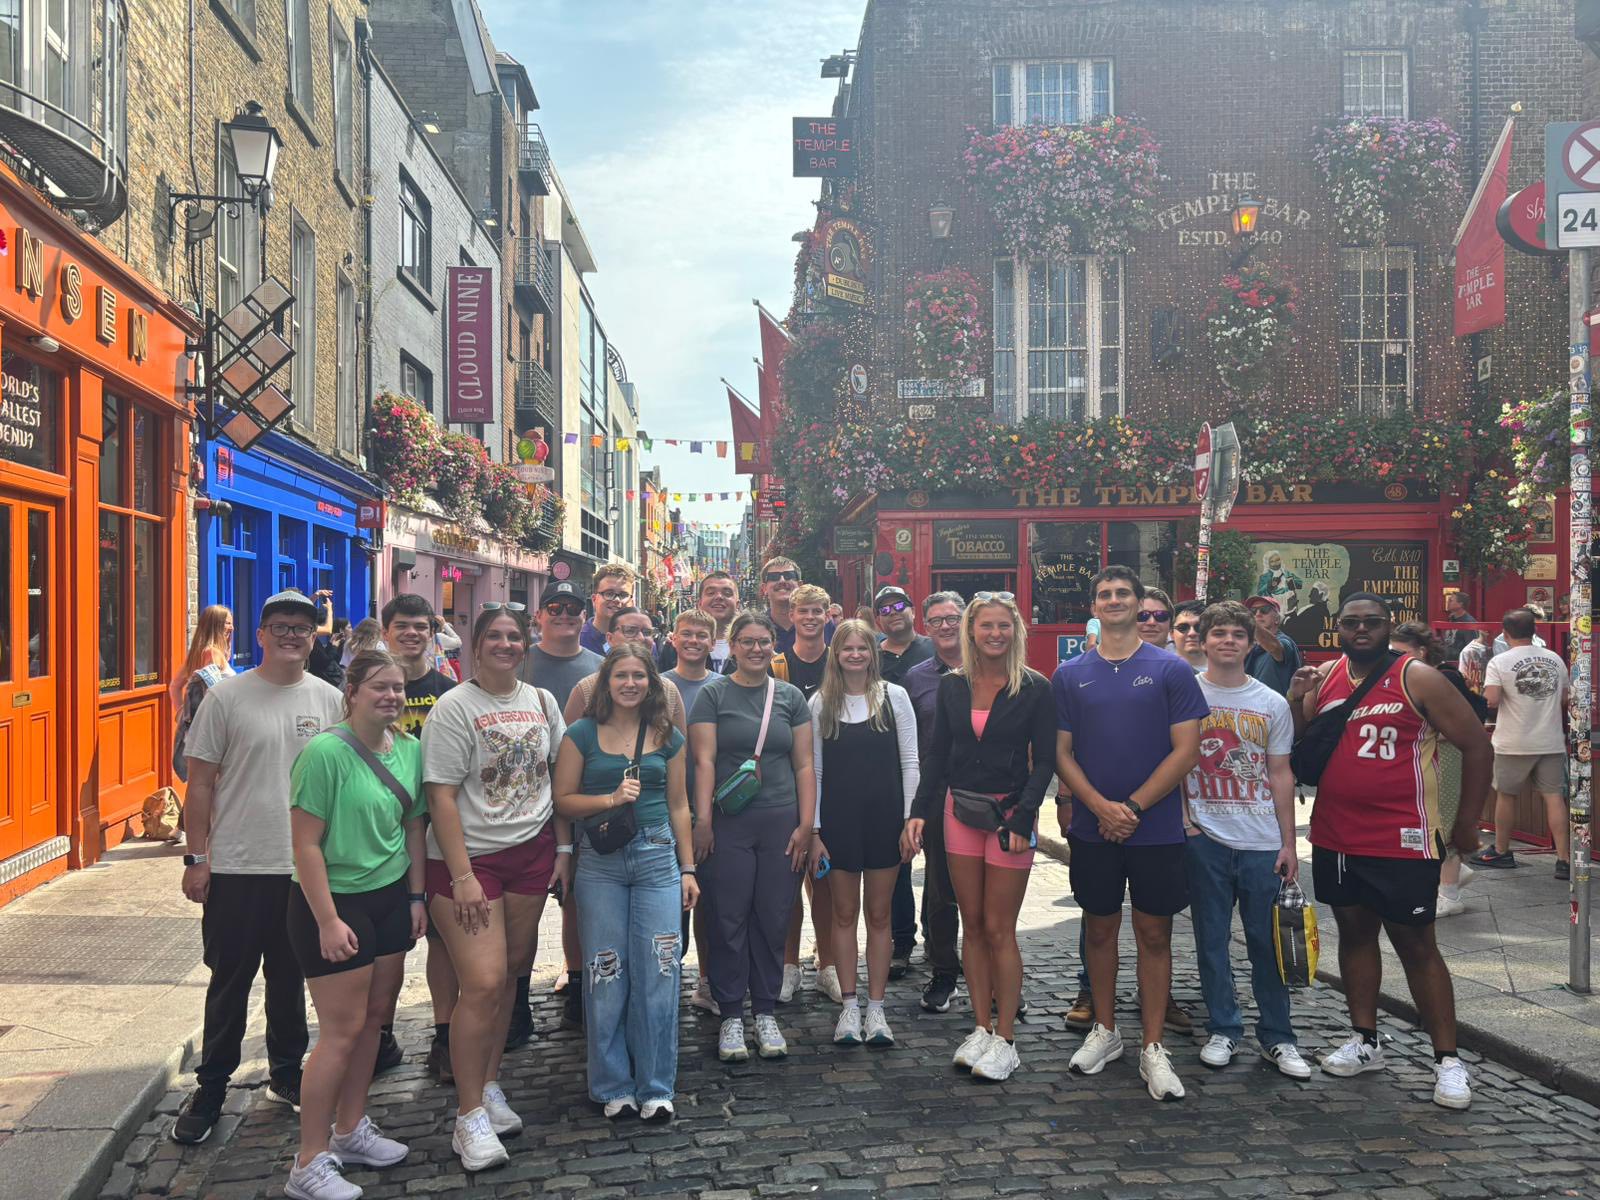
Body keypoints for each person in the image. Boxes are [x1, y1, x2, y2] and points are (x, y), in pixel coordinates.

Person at [1289, 593, 1492, 1110]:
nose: (1361, 629)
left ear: (1388, 626)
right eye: (1351, 622)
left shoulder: (1416, 676)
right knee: (1354, 936)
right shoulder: (1329, 676)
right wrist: (1295, 700)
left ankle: (1447, 1059)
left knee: (1416, 944)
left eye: (1372, 622)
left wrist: (1466, 821)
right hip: (1335, 834)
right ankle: (1365, 1039)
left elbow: (1475, 744)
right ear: (1337, 628)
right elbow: (1301, 747)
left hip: (1403, 836)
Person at [171, 590, 344, 1145]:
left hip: (304, 869)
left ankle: (287, 1074)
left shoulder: (329, 700)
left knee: (291, 980)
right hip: (238, 866)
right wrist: (198, 857)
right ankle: (212, 1088)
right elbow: (198, 783)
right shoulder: (228, 698)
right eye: (281, 626)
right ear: (260, 635)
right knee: (230, 982)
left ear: (314, 637)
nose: (292, 635)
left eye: (302, 627)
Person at [422, 606, 571, 1170]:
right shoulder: (454, 708)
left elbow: (556, 778)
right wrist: (460, 876)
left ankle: (488, 1085)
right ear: (475, 647)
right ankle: (467, 1118)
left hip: (530, 854)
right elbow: (439, 796)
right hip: (471, 861)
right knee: (481, 984)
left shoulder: (540, 702)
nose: (506, 645)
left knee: (510, 973)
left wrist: (561, 849)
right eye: (495, 637)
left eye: (514, 636)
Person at [1054, 566, 1208, 1102]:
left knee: (1154, 935)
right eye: (1105, 595)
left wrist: (1133, 807)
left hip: (1156, 827)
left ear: (1141, 605)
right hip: (1096, 829)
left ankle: (1153, 1044)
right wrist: (1098, 806)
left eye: (1124, 594)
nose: (1115, 601)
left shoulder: (1170, 670)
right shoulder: (1071, 674)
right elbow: (1062, 753)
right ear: (1093, 608)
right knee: (1098, 931)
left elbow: (1185, 750)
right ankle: (1105, 1028)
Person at [283, 650, 426, 1200]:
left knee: (373, 1023)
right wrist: (327, 920)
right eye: (379, 687)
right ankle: (308, 1161)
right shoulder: (324, 753)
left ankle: (350, 1130)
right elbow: (306, 846)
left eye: (398, 688)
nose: (391, 696)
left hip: (389, 898)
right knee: (339, 1034)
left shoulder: (409, 749)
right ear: (353, 691)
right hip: (334, 903)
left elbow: (413, 829)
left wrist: (415, 897)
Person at [907, 592, 1055, 1083]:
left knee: (999, 928)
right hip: (958, 811)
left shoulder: (1034, 687)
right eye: (985, 626)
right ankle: (979, 1026)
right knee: (970, 923)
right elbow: (937, 754)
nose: (995, 634)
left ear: (1015, 631)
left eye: (1003, 626)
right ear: (971, 632)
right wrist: (919, 812)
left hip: (1011, 816)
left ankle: (1006, 1037)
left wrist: (1023, 818)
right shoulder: (953, 687)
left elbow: (1046, 760)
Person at [554, 645, 698, 1121]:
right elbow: (563, 801)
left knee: (660, 969)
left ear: (651, 682)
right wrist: (610, 798)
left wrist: (689, 868)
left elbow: (680, 805)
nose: (630, 683)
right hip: (601, 861)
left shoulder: (667, 736)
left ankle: (656, 1084)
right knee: (606, 972)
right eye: (621, 676)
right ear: (606, 683)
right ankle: (613, 1083)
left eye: (639, 675)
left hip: (658, 857)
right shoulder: (581, 735)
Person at [1181, 602, 1310, 1080]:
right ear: (1205, 640)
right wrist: (1186, 822)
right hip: (1206, 836)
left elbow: (1280, 773)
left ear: (1251, 643)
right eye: (1220, 633)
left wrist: (1288, 843)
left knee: (1267, 943)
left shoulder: (1271, 702)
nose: (1229, 641)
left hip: (1260, 840)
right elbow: (1172, 761)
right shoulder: (1185, 693)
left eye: (1238, 634)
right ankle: (1223, 1028)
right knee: (1211, 941)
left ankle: (1278, 1036)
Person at [689, 612, 816, 1063]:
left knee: (773, 914)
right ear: (732, 646)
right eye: (747, 642)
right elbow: (703, 761)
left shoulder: (790, 697)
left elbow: (804, 763)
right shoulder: (713, 694)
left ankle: (764, 1009)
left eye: (764, 642)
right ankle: (729, 1014)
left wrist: (807, 824)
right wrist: (702, 820)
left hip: (780, 821)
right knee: (728, 916)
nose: (756, 649)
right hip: (729, 820)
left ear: (773, 646)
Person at [811, 621, 919, 1048]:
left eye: (863, 648)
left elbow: (910, 762)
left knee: (879, 915)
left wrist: (911, 819)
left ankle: (877, 1008)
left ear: (873, 654)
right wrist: (815, 828)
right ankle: (849, 1007)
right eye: (847, 648)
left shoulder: (895, 697)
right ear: (835, 654)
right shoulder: (820, 702)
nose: (855, 655)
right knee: (842, 914)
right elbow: (815, 772)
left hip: (885, 820)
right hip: (838, 822)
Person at [518, 583, 603, 1035]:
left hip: (580, 798)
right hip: (525, 801)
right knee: (526, 904)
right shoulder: (521, 660)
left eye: (574, 608)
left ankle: (577, 979)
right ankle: (517, 996)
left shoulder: (599, 668)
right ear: (540, 615)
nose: (566, 615)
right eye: (556, 607)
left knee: (577, 898)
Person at [380, 594, 459, 1080]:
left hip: (435, 833)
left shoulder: (448, 693)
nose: (412, 634)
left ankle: (445, 1034)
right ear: (386, 631)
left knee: (443, 942)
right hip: (381, 835)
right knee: (383, 947)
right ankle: (379, 1034)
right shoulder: (371, 689)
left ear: (433, 634)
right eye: (403, 626)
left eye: (421, 627)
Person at [1391, 623, 1486, 917]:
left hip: (1446, 755)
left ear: (1420, 651)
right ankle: (1454, 875)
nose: (1395, 658)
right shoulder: (1418, 678)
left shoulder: (1442, 679)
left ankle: (1449, 893)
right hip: (1430, 756)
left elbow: (1464, 728)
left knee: (1442, 820)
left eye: (1400, 652)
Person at [773, 585, 838, 1004]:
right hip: (786, 783)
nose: (811, 618)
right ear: (791, 616)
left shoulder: (842, 660)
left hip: (834, 785)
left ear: (828, 615)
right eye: (804, 611)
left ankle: (829, 963)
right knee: (788, 880)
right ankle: (789, 964)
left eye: (818, 611)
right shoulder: (778, 664)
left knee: (826, 879)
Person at [900, 591, 965, 1013]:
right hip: (936, 794)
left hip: (987, 792)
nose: (945, 626)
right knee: (940, 889)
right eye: (937, 620)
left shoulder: (993, 669)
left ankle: (995, 976)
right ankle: (944, 970)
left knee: (985, 895)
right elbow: (908, 746)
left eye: (953, 617)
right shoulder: (917, 678)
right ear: (925, 627)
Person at [1472, 607, 1571, 877]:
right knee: (1554, 798)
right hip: (1550, 740)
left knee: (1506, 796)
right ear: (1534, 630)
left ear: (1505, 632)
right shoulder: (1555, 659)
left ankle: (1502, 851)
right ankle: (1563, 859)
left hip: (1513, 741)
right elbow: (1565, 698)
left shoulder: (1500, 662)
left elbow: (1491, 700)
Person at [872, 582, 933, 977]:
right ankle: (901, 941)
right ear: (878, 619)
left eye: (899, 605)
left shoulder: (931, 650)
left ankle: (939, 940)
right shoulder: (872, 655)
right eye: (884, 609)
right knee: (899, 862)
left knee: (942, 869)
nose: (893, 612)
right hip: (888, 773)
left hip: (936, 767)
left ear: (913, 610)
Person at [664, 611, 720, 1015]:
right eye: (688, 634)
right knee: (671, 905)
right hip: (665, 810)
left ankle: (707, 980)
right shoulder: (660, 687)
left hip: (715, 812)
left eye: (703, 635)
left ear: (713, 640)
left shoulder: (723, 687)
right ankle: (666, 979)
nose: (695, 641)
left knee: (713, 902)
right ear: (673, 638)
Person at [170, 605, 236, 782]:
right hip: (215, 733)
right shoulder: (213, 653)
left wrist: (180, 714)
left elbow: (174, 686)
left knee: (200, 781)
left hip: (199, 732)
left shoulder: (199, 652)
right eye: (228, 623)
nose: (232, 628)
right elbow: (215, 693)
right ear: (216, 625)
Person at [657, 571, 741, 674]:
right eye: (711, 593)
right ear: (699, 604)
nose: (719, 597)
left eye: (727, 593)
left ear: (737, 605)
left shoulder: (751, 645)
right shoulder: (675, 647)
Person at [1243, 595, 1302, 696]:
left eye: (1264, 610)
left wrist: (1249, 620)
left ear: (1277, 619)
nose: (1258, 614)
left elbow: (1275, 648)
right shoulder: (1250, 647)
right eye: (1253, 611)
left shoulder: (1285, 642)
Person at [581, 564, 638, 655]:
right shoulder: (576, 641)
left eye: (623, 595)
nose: (616, 600)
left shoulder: (642, 643)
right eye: (609, 593)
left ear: (632, 602)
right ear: (594, 599)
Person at [1255, 551, 1304, 615]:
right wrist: (1270, 584)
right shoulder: (1265, 577)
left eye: (1277, 560)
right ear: (1267, 563)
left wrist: (1291, 582)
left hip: (1289, 602)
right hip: (1275, 604)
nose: (1276, 563)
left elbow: (1300, 584)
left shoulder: (1286, 573)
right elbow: (1260, 592)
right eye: (1272, 561)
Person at [1170, 600, 1206, 672]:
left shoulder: (1226, 668)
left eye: (1199, 627)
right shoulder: (1162, 669)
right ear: (1172, 634)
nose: (1192, 633)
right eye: (1183, 628)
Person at [1443, 591, 1478, 663]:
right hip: (1448, 661)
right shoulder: (1451, 619)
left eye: (1451, 600)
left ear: (1460, 604)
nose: (1448, 602)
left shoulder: (1469, 622)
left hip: (1460, 662)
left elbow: (1471, 647)